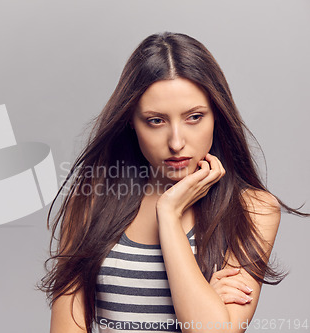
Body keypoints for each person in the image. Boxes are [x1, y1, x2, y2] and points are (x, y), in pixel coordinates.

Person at [37, 32, 309, 333]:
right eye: (156, 120)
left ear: (217, 115)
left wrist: (168, 214)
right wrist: (206, 303)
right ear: (131, 121)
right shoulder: (91, 204)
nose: (177, 142)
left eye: (194, 117)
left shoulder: (252, 210)